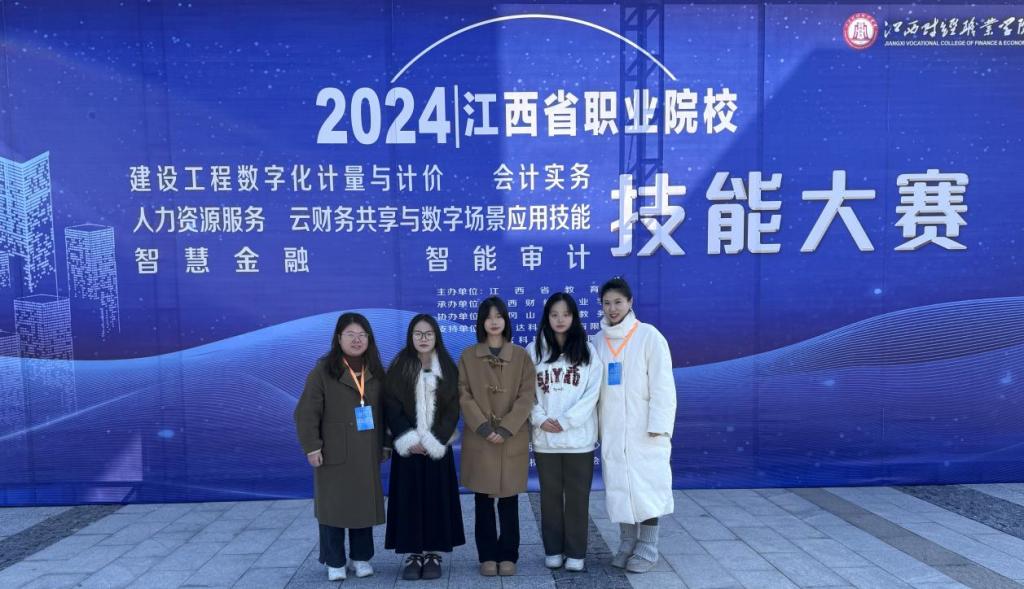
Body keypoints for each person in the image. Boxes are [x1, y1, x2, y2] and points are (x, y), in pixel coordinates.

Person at [294, 312, 390, 582]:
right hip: (332, 452)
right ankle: (334, 560)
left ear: (369, 339)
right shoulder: (323, 371)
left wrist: (386, 444)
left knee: (363, 506)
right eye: (350, 335)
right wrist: (312, 447)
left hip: (366, 451)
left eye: (362, 335)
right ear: (338, 338)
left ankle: (361, 557)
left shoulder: (376, 371)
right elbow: (306, 413)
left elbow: (387, 412)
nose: (357, 340)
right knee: (333, 508)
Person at [594, 277, 677, 573]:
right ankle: (627, 541)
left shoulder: (648, 336)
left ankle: (648, 546)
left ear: (630, 302)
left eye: (618, 302)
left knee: (647, 486)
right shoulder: (597, 341)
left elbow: (663, 385)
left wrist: (659, 424)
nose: (612, 308)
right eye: (607, 303)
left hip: (645, 430)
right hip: (613, 430)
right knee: (620, 487)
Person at [383, 314, 466, 580]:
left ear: (436, 336)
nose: (423, 338)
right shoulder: (399, 366)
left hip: (436, 449)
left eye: (428, 333)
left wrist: (434, 440)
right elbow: (391, 406)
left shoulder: (448, 367)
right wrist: (409, 439)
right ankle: (413, 554)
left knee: (436, 500)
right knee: (409, 501)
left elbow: (452, 410)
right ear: (411, 336)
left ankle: (432, 553)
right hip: (408, 449)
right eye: (418, 333)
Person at [458, 296, 537, 577]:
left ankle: (509, 554)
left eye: (499, 316)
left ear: (506, 320)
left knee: (509, 500)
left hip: (511, 438)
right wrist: (483, 426)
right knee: (482, 500)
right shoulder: (468, 356)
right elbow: (463, 394)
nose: (494, 321)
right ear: (481, 322)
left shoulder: (521, 356)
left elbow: (527, 395)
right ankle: (487, 555)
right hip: (480, 438)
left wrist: (506, 428)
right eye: (488, 317)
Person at [528, 293, 602, 572]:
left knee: (577, 499)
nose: (560, 320)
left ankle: (576, 552)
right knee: (549, 498)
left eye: (566, 314)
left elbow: (592, 393)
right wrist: (539, 418)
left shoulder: (587, 350)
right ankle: (553, 550)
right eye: (554, 314)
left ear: (574, 317)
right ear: (547, 317)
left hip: (579, 440)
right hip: (545, 439)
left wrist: (567, 421)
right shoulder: (533, 350)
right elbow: (525, 391)